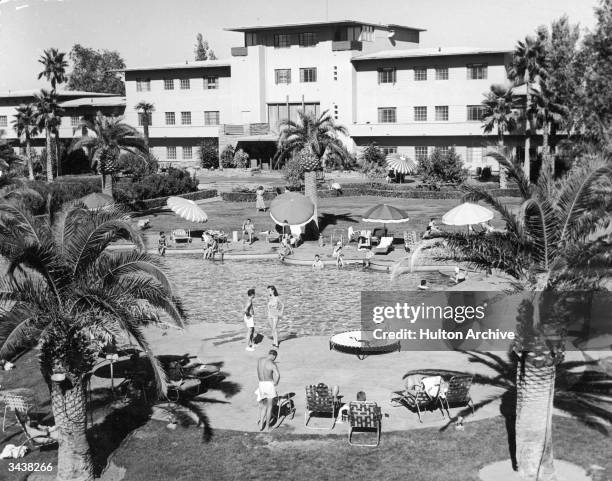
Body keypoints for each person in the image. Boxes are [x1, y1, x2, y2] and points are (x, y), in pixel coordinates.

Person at [255, 349, 280, 431]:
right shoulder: (272, 364)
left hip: (261, 384)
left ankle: (261, 424)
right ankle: (267, 427)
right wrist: (276, 382)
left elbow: (258, 370)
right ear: (274, 356)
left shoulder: (260, 360)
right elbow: (278, 375)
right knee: (269, 407)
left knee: (264, 406)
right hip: (269, 384)